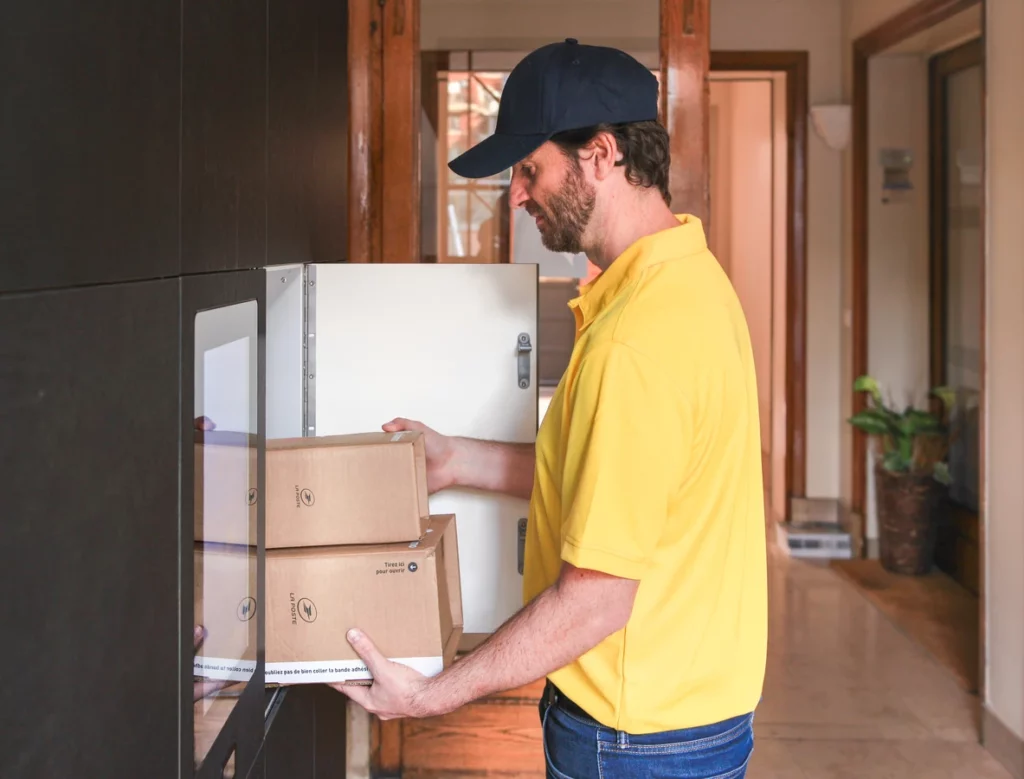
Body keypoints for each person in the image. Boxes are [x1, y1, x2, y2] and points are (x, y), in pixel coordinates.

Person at [335, 38, 768, 778]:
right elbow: (620, 480)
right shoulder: (689, 277)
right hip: (688, 711)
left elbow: (596, 601)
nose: (518, 193)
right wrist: (459, 457)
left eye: (529, 169)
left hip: (636, 737)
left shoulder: (638, 337)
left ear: (600, 154)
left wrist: (432, 693)